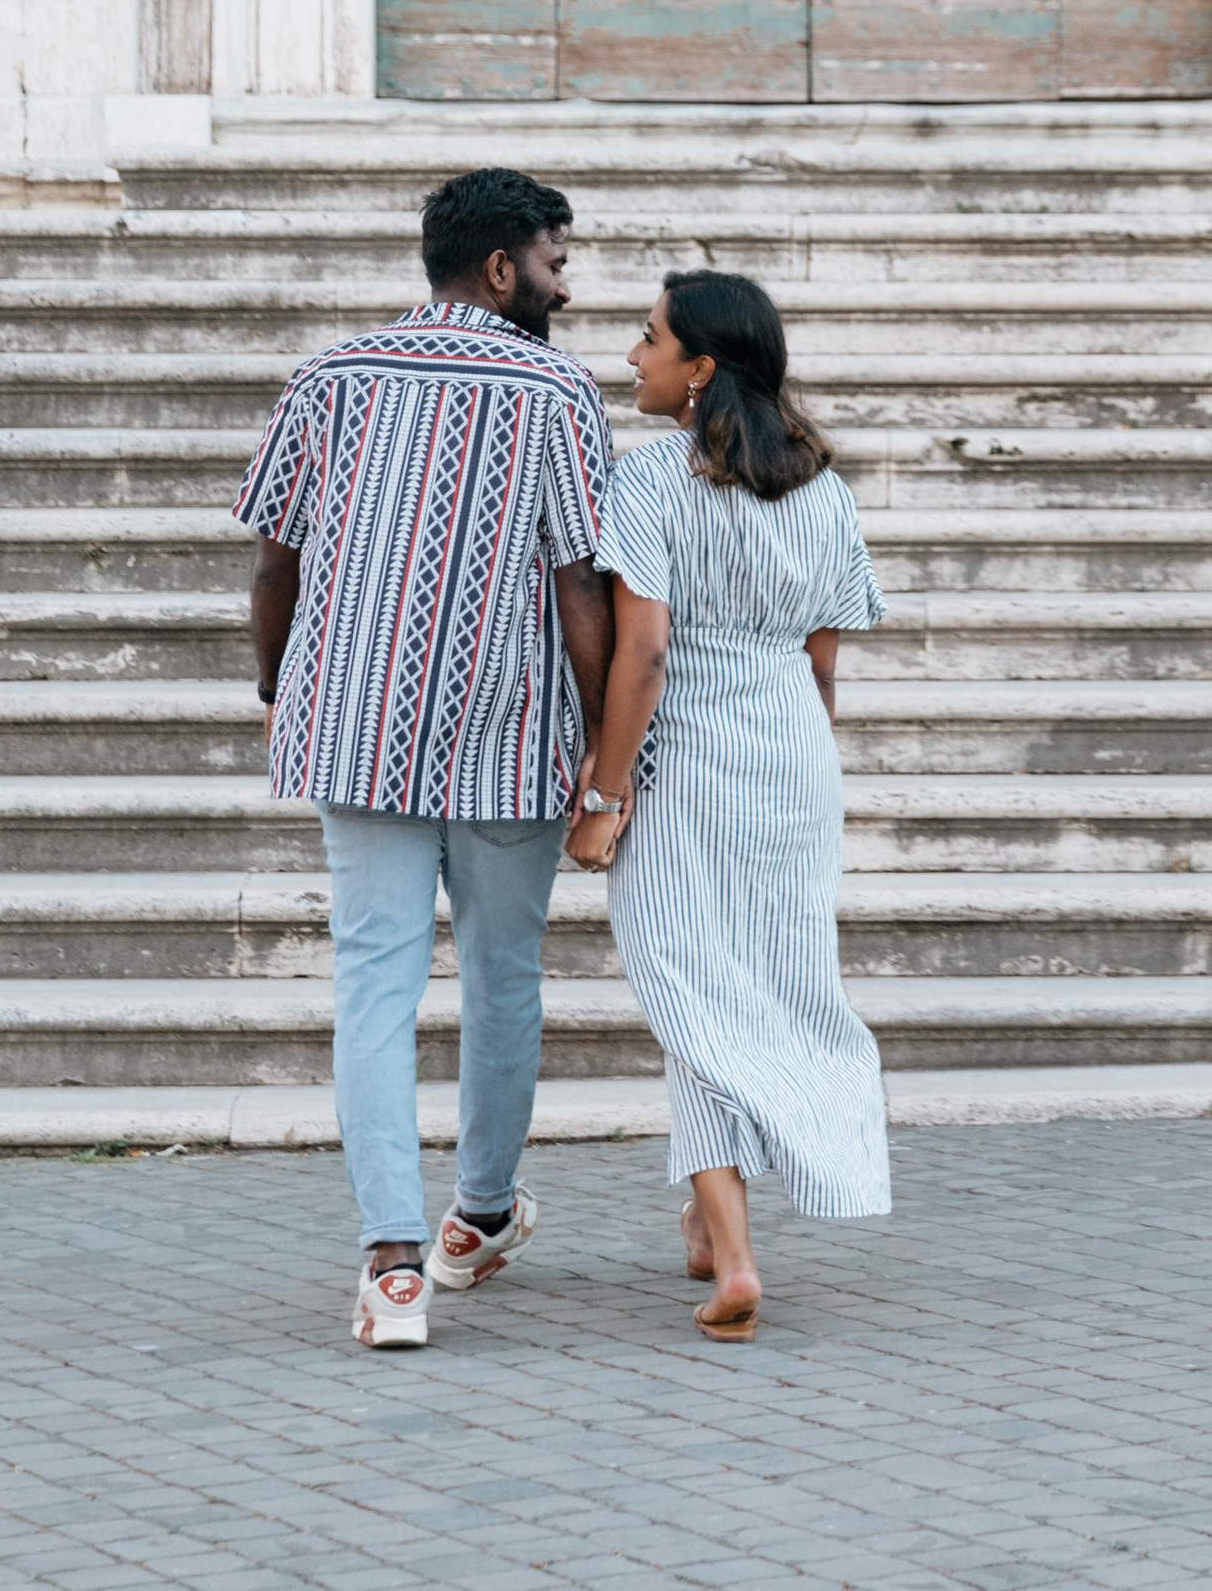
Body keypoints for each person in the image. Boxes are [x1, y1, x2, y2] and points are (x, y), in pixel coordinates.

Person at [237, 166, 614, 1351]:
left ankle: (391, 1266)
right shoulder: (556, 389)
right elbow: (579, 589)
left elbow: (274, 563)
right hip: (508, 732)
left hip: (355, 723)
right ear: (501, 268)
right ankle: (480, 1217)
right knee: (505, 979)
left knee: (372, 987)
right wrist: (607, 749)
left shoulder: (328, 378)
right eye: (555, 261)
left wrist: (274, 687)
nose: (564, 283)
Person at [566, 267, 890, 1340]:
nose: (631, 353)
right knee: (769, 978)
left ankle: (737, 1261)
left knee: (690, 990)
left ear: (699, 369)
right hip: (794, 752)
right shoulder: (824, 486)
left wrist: (605, 791)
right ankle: (707, 1230)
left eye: (649, 337)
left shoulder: (652, 481)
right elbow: (824, 662)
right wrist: (805, 765)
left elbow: (645, 652)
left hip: (689, 755)